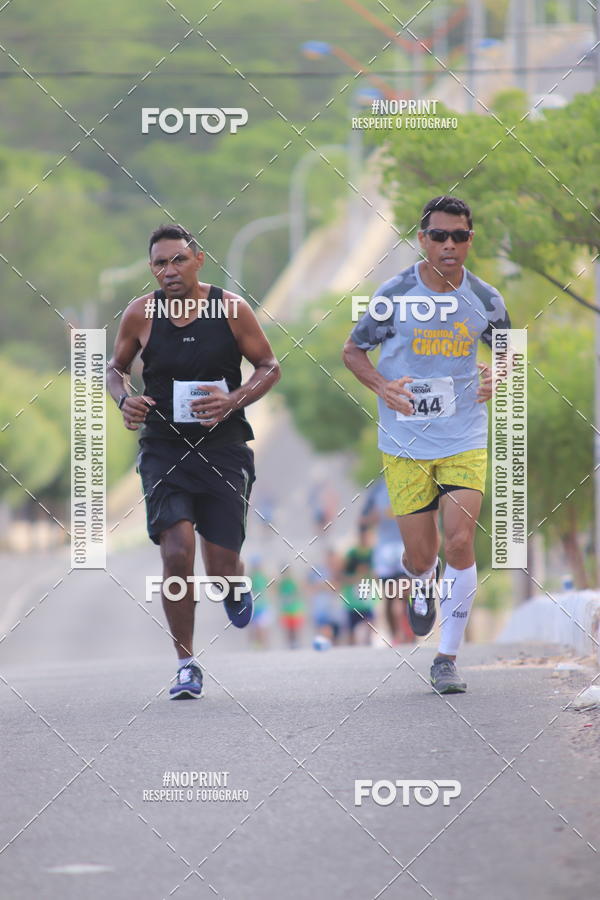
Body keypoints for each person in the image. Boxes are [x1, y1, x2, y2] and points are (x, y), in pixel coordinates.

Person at [343, 195, 510, 693]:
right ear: (422, 240)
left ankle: (447, 657)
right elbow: (353, 351)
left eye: (459, 236)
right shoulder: (393, 294)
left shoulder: (486, 297)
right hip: (405, 442)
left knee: (461, 539)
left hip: (464, 435)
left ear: (470, 240)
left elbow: (507, 349)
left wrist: (496, 375)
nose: (449, 245)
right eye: (439, 236)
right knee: (422, 554)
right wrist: (382, 386)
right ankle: (421, 579)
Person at [107, 224, 280, 698]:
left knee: (222, 566)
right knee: (177, 552)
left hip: (224, 449)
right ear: (151, 269)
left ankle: (235, 584)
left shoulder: (230, 309)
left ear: (199, 260)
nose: (170, 270)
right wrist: (125, 400)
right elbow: (116, 370)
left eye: (178, 260)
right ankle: (186, 663)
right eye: (160, 263)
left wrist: (234, 400)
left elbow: (270, 366)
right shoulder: (141, 314)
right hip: (163, 448)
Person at [361, 478, 412, 645]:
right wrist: (371, 521)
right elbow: (362, 520)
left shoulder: (409, 483)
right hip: (384, 551)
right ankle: (395, 635)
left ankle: (409, 630)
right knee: (389, 594)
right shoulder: (377, 489)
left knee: (405, 591)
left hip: (405, 546)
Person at [342, 526, 376, 646]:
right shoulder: (352, 554)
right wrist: (358, 575)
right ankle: (352, 651)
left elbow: (378, 576)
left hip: (368, 598)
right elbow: (343, 576)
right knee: (351, 629)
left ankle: (368, 645)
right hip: (353, 600)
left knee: (370, 623)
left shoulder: (374, 553)